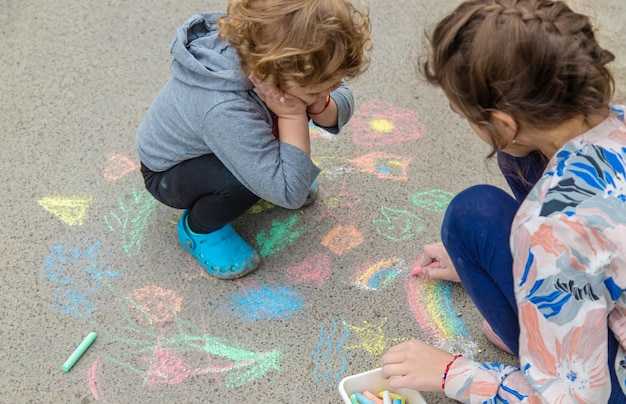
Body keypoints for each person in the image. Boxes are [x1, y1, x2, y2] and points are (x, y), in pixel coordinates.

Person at [380, 0, 626, 402]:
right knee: (515, 162)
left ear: (505, 123)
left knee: (470, 214)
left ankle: (535, 325)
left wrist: (450, 373)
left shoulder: (550, 226)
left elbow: (574, 398)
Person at [136, 0, 372, 279]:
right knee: (243, 184)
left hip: (230, 139)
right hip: (171, 172)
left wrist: (318, 104)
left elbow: (339, 98)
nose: (333, 88)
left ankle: (282, 164)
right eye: (321, 88)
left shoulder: (283, 56)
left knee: (291, 122)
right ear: (267, 77)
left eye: (333, 82)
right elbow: (289, 194)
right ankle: (200, 229)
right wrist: (293, 116)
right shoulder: (224, 108)